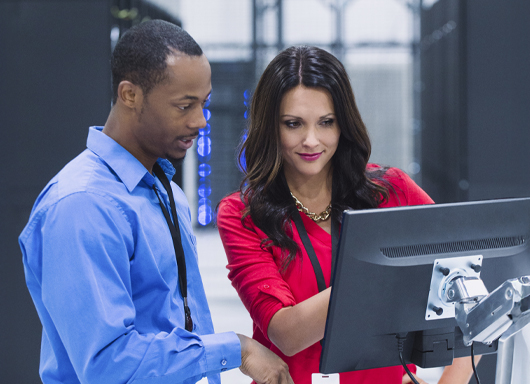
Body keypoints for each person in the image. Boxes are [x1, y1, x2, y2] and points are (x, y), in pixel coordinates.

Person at [19, 20, 293, 384]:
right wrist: (235, 349)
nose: (200, 121)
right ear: (130, 95)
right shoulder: (82, 206)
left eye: (204, 104)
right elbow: (108, 367)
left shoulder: (165, 191)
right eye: (184, 106)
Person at [217, 45, 480, 384]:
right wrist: (388, 271)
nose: (311, 140)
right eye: (294, 124)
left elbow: (471, 276)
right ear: (271, 126)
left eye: (326, 122)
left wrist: (452, 378)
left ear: (344, 124)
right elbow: (287, 333)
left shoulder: (392, 191)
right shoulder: (242, 213)